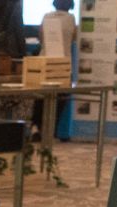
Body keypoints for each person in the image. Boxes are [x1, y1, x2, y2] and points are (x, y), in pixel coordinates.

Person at [40, 0, 78, 139]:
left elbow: (41, 37)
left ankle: (39, 128)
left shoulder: (46, 17)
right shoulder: (71, 19)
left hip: (45, 63)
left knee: (42, 99)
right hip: (63, 64)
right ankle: (53, 130)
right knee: (61, 99)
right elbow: (74, 37)